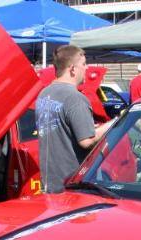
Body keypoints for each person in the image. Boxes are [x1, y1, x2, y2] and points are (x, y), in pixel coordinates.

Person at [35, 45, 113, 193]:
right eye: (83, 64)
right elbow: (87, 140)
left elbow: (61, 129)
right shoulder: (75, 98)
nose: (86, 68)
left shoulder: (44, 94)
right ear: (72, 69)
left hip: (49, 183)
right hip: (72, 186)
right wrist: (115, 122)